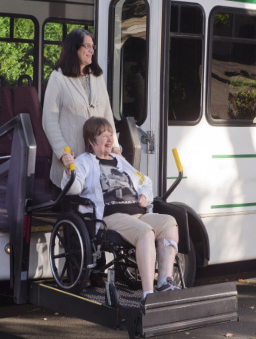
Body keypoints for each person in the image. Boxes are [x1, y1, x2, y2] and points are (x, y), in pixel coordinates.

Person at [61, 117, 180, 300]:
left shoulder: (119, 160)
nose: (110, 139)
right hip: (111, 216)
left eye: (111, 135)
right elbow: (74, 188)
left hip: (137, 213)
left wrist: (144, 195)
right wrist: (70, 170)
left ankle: (164, 282)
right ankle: (148, 293)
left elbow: (143, 181)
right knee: (146, 232)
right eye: (104, 135)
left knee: (169, 223)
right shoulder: (85, 161)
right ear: (92, 141)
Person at [42, 28, 121, 190]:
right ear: (74, 48)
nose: (91, 50)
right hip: (73, 158)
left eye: (93, 46)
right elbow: (49, 120)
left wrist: (115, 147)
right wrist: (63, 153)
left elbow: (107, 115)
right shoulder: (58, 78)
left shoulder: (97, 77)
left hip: (99, 157)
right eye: (87, 46)